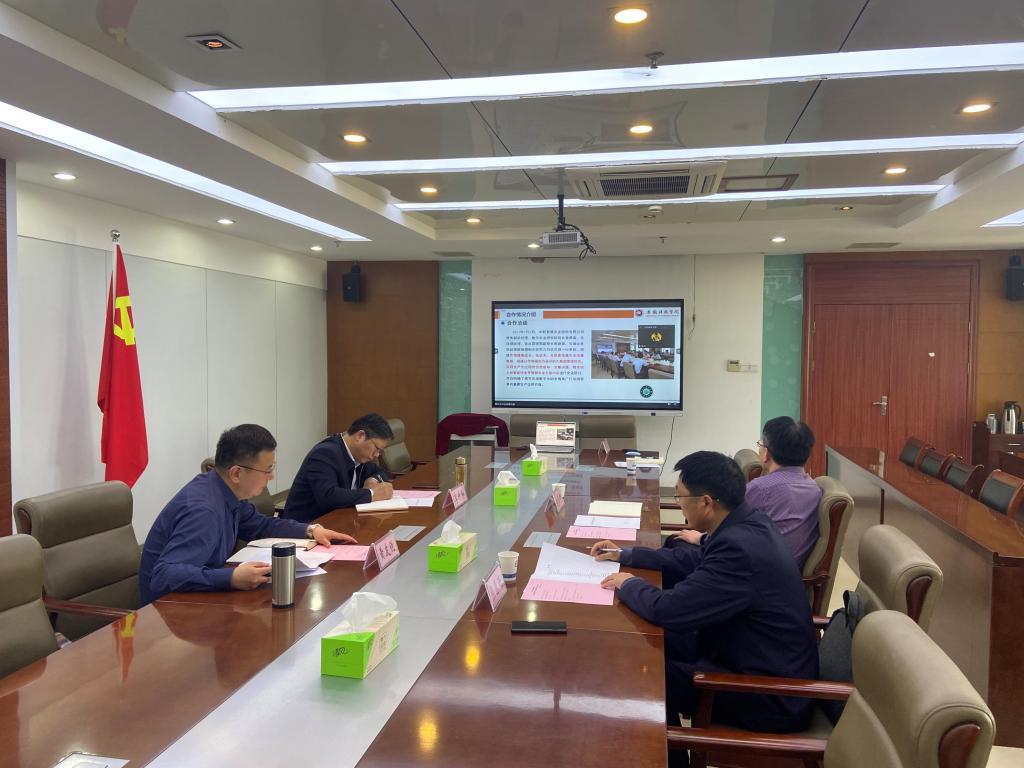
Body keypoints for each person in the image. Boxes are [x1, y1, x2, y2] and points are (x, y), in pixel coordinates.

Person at [592, 451, 818, 735]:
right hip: (739, 651)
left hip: (767, 694)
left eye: (680, 496)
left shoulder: (739, 548)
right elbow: (692, 560)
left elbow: (667, 609)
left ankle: (666, 752)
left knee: (639, 671)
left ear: (707, 502)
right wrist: (626, 555)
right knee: (638, 645)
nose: (678, 504)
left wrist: (628, 583)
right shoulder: (747, 522)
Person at [139, 424, 355, 605]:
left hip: (198, 596)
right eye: (267, 470)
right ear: (236, 473)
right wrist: (231, 577)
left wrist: (310, 530)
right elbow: (164, 575)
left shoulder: (224, 490)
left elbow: (259, 525)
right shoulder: (204, 510)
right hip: (167, 612)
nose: (271, 477)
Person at [675, 417, 822, 568]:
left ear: (766, 454)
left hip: (751, 566)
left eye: (761, 444)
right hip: (787, 568)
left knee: (677, 544)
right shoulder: (815, 489)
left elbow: (725, 524)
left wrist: (700, 538)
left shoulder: (761, 488)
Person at [282, 413, 395, 524]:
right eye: (376, 448)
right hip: (305, 526)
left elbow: (381, 472)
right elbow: (329, 496)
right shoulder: (325, 453)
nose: (376, 455)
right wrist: (372, 494)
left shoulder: (360, 455)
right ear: (360, 436)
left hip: (338, 521)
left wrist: (373, 480)